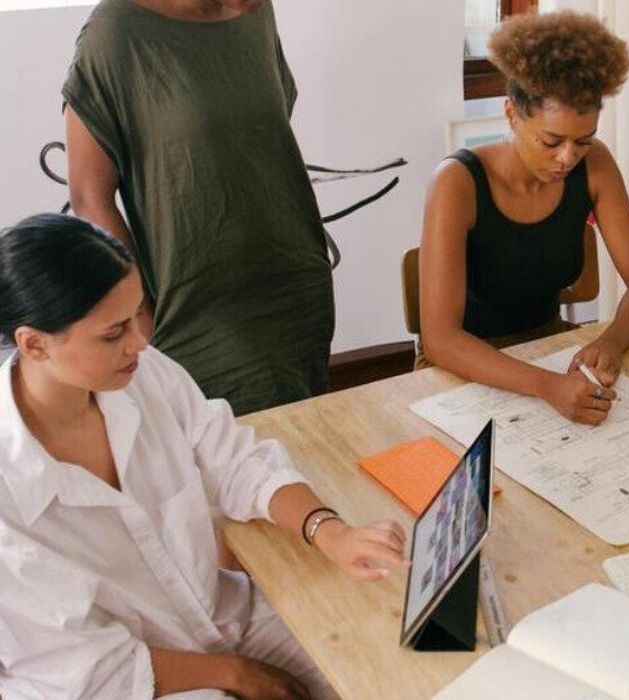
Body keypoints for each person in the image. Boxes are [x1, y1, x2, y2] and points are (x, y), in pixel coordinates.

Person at [0, 214, 406, 699]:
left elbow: (235, 461)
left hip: (220, 617)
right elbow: (80, 664)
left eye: (138, 314)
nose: (140, 341)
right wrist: (236, 675)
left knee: (382, 659)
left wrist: (329, 531)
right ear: (34, 344)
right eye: (113, 333)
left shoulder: (141, 374)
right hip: (116, 682)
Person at [63, 0, 333, 416]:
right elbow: (89, 197)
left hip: (296, 289)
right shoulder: (114, 34)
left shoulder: (255, 13)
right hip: (198, 311)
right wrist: (137, 312)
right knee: (229, 463)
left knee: (306, 452)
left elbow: (258, 139)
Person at [420, 11, 629, 426]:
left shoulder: (595, 166)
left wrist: (612, 341)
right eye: (551, 141)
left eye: (583, 141)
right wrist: (547, 386)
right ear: (512, 115)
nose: (567, 158)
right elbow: (441, 340)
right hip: (463, 371)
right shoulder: (457, 182)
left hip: (548, 352)